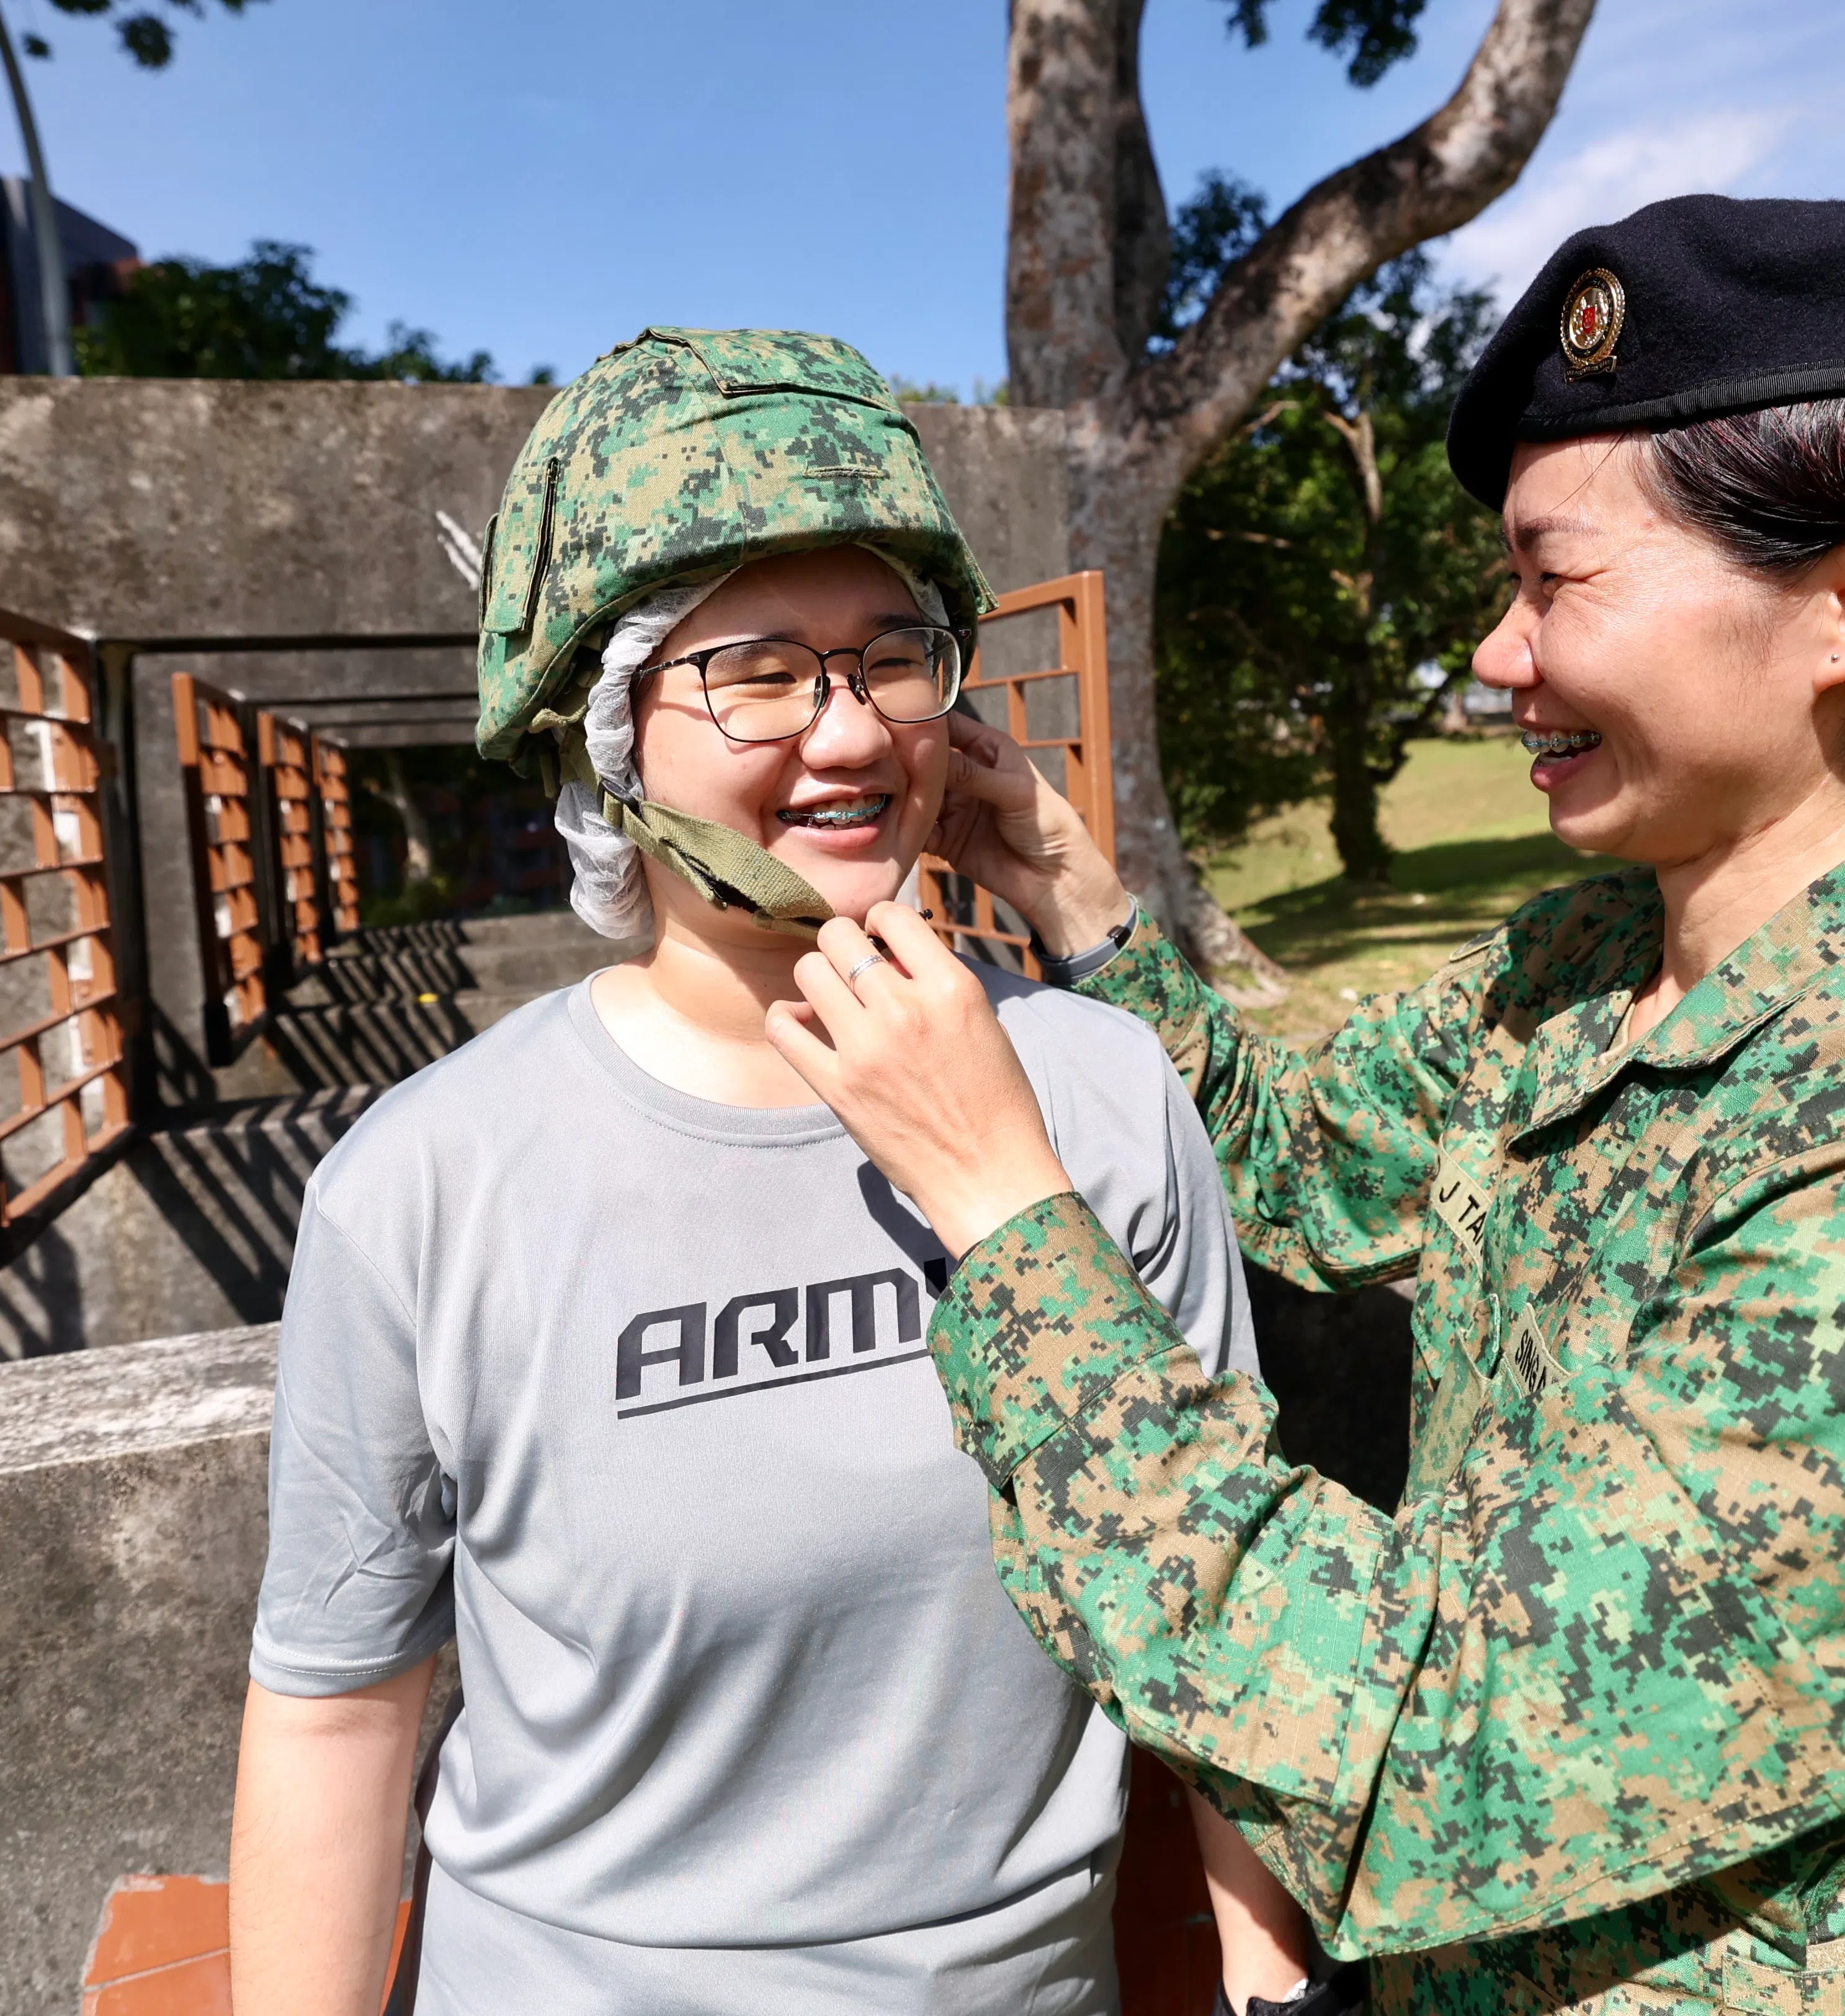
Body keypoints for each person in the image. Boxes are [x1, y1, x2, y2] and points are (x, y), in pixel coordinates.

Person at [764, 200, 1845, 2012]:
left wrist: (1004, 1215)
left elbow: (1452, 1750)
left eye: (1559, 579)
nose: (1498, 653)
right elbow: (1294, 1167)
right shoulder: (1603, 950)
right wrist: (1080, 908)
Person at [227, 328, 1333, 2016]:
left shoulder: (1106, 1095)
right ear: (607, 733)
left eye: (894, 654)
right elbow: (337, 1709)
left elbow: (1225, 1602)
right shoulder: (428, 1188)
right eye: (754, 669)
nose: (848, 730)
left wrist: (1275, 1989)